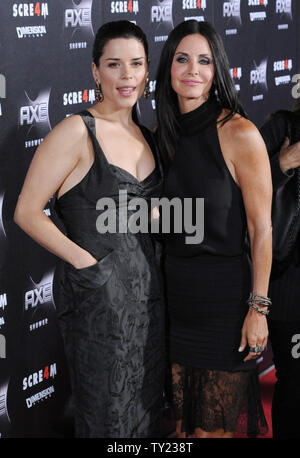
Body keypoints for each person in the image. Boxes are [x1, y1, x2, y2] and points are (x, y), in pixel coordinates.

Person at [14, 20, 165, 438]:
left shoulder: (146, 136)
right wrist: (88, 263)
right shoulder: (76, 131)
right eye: (114, 65)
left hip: (150, 303)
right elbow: (26, 211)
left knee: (149, 416)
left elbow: (143, 217)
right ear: (96, 72)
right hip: (99, 306)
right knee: (107, 418)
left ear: (147, 70)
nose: (127, 75)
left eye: (136, 64)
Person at [155, 20, 272, 438]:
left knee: (211, 433)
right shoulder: (162, 138)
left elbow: (261, 229)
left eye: (204, 60)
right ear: (168, 67)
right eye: (182, 58)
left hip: (224, 308)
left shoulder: (240, 133)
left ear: (217, 68)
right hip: (174, 306)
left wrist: (258, 309)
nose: (192, 69)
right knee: (183, 433)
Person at [260, 98, 300, 438]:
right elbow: (237, 192)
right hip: (290, 290)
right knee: (296, 387)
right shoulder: (282, 127)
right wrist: (282, 164)